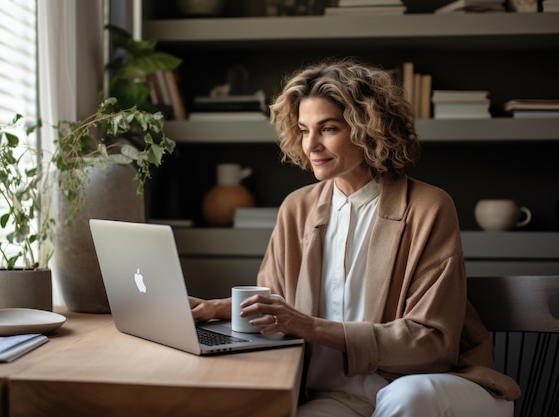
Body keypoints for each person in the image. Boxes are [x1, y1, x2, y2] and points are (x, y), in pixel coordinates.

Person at [189, 57, 520, 417]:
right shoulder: (297, 209)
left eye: (327, 128)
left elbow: (432, 343)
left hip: (433, 384)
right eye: (303, 130)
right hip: (337, 395)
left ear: (369, 129)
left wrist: (311, 326)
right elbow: (281, 310)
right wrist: (215, 309)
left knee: (406, 398)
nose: (310, 145)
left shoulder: (428, 207)